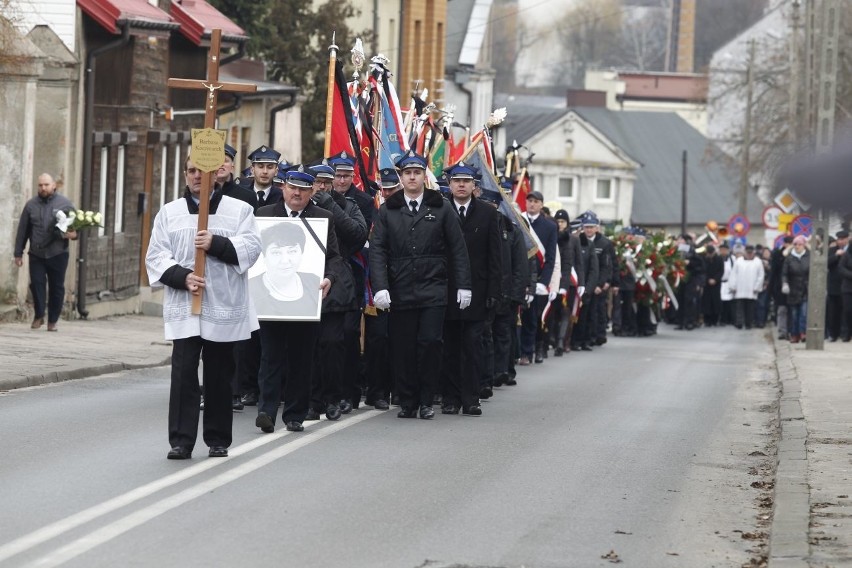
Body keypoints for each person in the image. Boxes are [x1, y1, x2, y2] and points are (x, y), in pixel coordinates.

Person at [145, 157, 261, 460]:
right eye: (192, 171)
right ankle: (181, 441)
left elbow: (252, 248)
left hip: (222, 303)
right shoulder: (169, 213)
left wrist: (216, 243)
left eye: (203, 171)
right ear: (185, 174)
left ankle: (218, 438)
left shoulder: (239, 210)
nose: (197, 176)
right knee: (183, 373)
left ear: (215, 174)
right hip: (185, 304)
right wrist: (182, 277)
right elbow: (156, 256)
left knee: (219, 374)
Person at [369, 150, 472, 420]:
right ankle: (407, 401)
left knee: (430, 343)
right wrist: (380, 287)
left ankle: (426, 399)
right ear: (401, 177)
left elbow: (457, 249)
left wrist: (464, 285)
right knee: (402, 347)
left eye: (417, 172)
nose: (412, 177)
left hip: (433, 287)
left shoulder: (440, 206)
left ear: (424, 176)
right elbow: (377, 250)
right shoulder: (388, 210)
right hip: (400, 288)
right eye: (407, 173)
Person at [254, 166, 346, 433]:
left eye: (303, 190)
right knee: (270, 357)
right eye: (293, 188)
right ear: (284, 188)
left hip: (306, 300)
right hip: (270, 299)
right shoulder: (264, 215)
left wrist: (329, 277)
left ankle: (295, 414)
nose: (297, 193)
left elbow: (335, 257)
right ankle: (266, 411)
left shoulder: (323, 217)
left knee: (301, 358)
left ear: (311, 192)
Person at [439, 161, 502, 416]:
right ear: (450, 184)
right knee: (449, 347)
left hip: (477, 292)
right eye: (457, 181)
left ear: (474, 185)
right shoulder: (441, 210)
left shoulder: (488, 213)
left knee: (473, 348)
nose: (461, 185)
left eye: (466, 181)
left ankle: (471, 398)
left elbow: (495, 257)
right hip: (446, 290)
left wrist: (494, 293)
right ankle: (450, 398)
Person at [306, 160, 367, 420]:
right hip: (304, 281)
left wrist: (331, 206)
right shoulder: (300, 206)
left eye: (326, 183)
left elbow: (357, 235)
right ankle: (311, 400)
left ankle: (333, 397)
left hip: (337, 284)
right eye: (317, 182)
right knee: (309, 345)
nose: (322, 187)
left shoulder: (347, 206)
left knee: (333, 344)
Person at [15, 173, 79, 331]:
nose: (43, 188)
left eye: (46, 185)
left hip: (58, 253)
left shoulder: (65, 204)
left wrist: (74, 234)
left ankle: (53, 320)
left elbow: (76, 227)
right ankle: (38, 316)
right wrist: (18, 253)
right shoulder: (31, 205)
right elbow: (23, 230)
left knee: (57, 287)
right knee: (36, 284)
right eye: (40, 185)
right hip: (36, 253)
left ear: (54, 186)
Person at [249, 221, 322, 318]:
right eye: (276, 253)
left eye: (292, 251)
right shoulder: (249, 288)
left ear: (301, 253)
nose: (285, 261)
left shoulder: (315, 281)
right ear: (264, 255)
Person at [519, 191, 557, 364]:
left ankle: (529, 351)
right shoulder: (519, 219)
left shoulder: (549, 226)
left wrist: (544, 282)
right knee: (518, 318)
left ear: (541, 205)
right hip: (520, 275)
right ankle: (519, 352)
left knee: (532, 318)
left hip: (538, 279)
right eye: (529, 201)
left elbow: (550, 257)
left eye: (535, 202)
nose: (532, 204)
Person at [728, 244, 765, 329]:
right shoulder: (739, 261)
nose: (749, 254)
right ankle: (739, 322)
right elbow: (734, 274)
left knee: (750, 308)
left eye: (750, 252)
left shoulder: (758, 262)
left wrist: (757, 287)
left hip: (751, 289)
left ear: (753, 253)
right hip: (740, 288)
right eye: (747, 252)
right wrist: (733, 286)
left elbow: (761, 275)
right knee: (739, 307)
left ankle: (748, 323)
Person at [782, 235, 810, 343]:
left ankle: (803, 333)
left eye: (800, 244)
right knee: (794, 314)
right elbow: (784, 273)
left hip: (805, 289)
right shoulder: (789, 258)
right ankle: (794, 334)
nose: (797, 246)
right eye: (795, 244)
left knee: (803, 313)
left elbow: (818, 259)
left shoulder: (809, 257)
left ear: (804, 245)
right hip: (793, 289)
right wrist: (785, 284)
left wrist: (808, 244)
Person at [827, 231, 849, 341]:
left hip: (847, 285)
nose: (841, 241)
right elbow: (826, 263)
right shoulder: (832, 250)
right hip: (834, 286)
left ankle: (845, 334)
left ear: (847, 239)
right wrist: (836, 255)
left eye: (843, 239)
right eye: (839, 239)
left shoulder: (849, 251)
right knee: (833, 312)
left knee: (846, 311)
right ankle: (833, 334)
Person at [702, 245, 724, 326]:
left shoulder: (719, 259)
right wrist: (708, 279)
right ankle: (707, 320)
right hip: (706, 283)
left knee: (715, 301)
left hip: (716, 283)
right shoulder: (704, 259)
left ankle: (715, 320)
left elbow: (721, 271)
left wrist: (715, 279)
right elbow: (703, 270)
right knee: (706, 302)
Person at [837, 232, 852, 342]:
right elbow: (841, 268)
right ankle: (847, 332)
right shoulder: (847, 254)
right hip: (848, 287)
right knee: (847, 310)